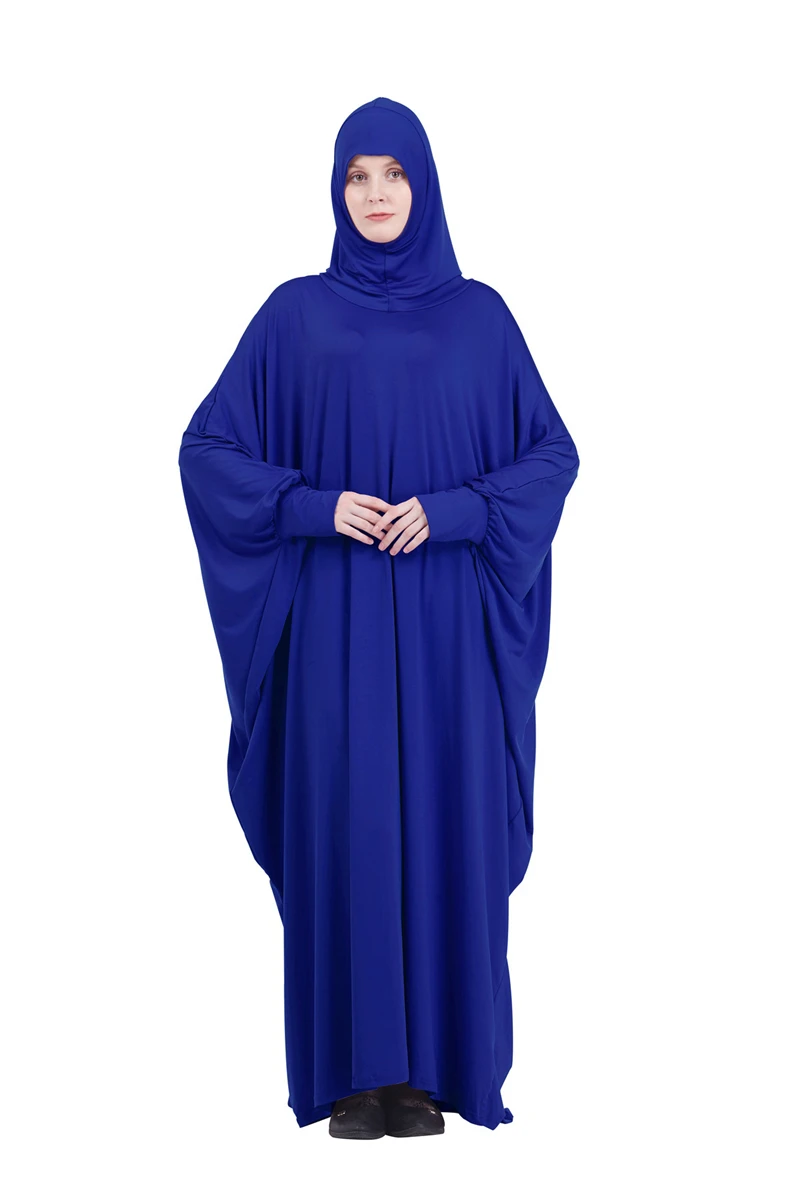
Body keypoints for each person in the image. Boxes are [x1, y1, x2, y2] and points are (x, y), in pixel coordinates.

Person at [178, 96, 580, 1139]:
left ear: (424, 184)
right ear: (335, 189)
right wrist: (311, 506)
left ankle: (430, 1076)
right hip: (335, 624)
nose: (374, 194)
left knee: (444, 818)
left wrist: (456, 512)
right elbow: (206, 453)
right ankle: (358, 1080)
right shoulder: (293, 318)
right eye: (356, 175)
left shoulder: (480, 319)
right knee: (348, 824)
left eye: (393, 173)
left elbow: (551, 455)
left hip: (447, 630)